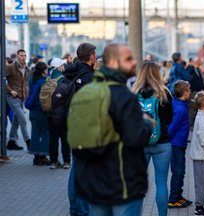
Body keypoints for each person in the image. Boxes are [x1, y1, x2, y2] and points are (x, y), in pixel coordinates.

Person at [72, 43, 153, 216]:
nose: (134, 62)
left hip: (93, 184)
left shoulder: (85, 93)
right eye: (129, 59)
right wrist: (146, 123)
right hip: (122, 184)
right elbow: (135, 138)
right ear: (114, 63)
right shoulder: (124, 96)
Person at [132, 61, 173, 216]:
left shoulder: (134, 93)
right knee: (161, 183)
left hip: (140, 144)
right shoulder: (164, 93)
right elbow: (169, 119)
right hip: (162, 143)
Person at [64, 43, 97, 216]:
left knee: (76, 169)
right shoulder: (90, 77)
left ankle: (74, 209)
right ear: (91, 56)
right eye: (95, 54)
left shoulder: (70, 72)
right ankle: (83, 211)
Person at [167, 80, 193, 208]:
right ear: (184, 92)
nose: (191, 92)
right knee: (178, 172)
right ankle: (173, 199)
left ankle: (178, 196)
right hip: (176, 144)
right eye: (189, 90)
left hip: (180, 143)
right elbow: (172, 128)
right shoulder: (180, 109)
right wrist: (168, 140)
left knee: (181, 171)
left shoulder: (179, 103)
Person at [6, 49, 31, 150]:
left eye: (25, 56)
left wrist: (27, 93)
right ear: (17, 56)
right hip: (12, 97)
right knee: (22, 119)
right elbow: (2, 79)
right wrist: (10, 90)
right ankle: (28, 141)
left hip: (22, 98)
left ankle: (11, 141)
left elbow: (26, 83)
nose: (23, 57)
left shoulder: (27, 69)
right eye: (21, 55)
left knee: (16, 120)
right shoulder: (10, 67)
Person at [47, 58, 70, 169]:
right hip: (63, 115)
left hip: (50, 115)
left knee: (53, 140)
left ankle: (53, 162)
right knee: (65, 140)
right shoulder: (64, 80)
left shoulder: (48, 79)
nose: (64, 66)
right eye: (63, 65)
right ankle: (66, 162)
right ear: (59, 67)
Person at [27, 62, 51, 165]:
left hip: (32, 111)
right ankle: (43, 156)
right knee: (44, 133)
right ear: (44, 71)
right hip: (41, 111)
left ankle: (36, 157)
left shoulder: (32, 79)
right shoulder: (43, 82)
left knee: (35, 133)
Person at [186, 57, 204, 126]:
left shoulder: (197, 69)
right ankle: (191, 124)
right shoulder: (191, 69)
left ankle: (195, 124)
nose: (201, 61)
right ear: (195, 61)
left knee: (197, 108)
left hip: (198, 91)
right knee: (193, 108)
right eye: (200, 60)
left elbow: (200, 80)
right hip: (193, 91)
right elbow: (188, 78)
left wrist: (203, 88)